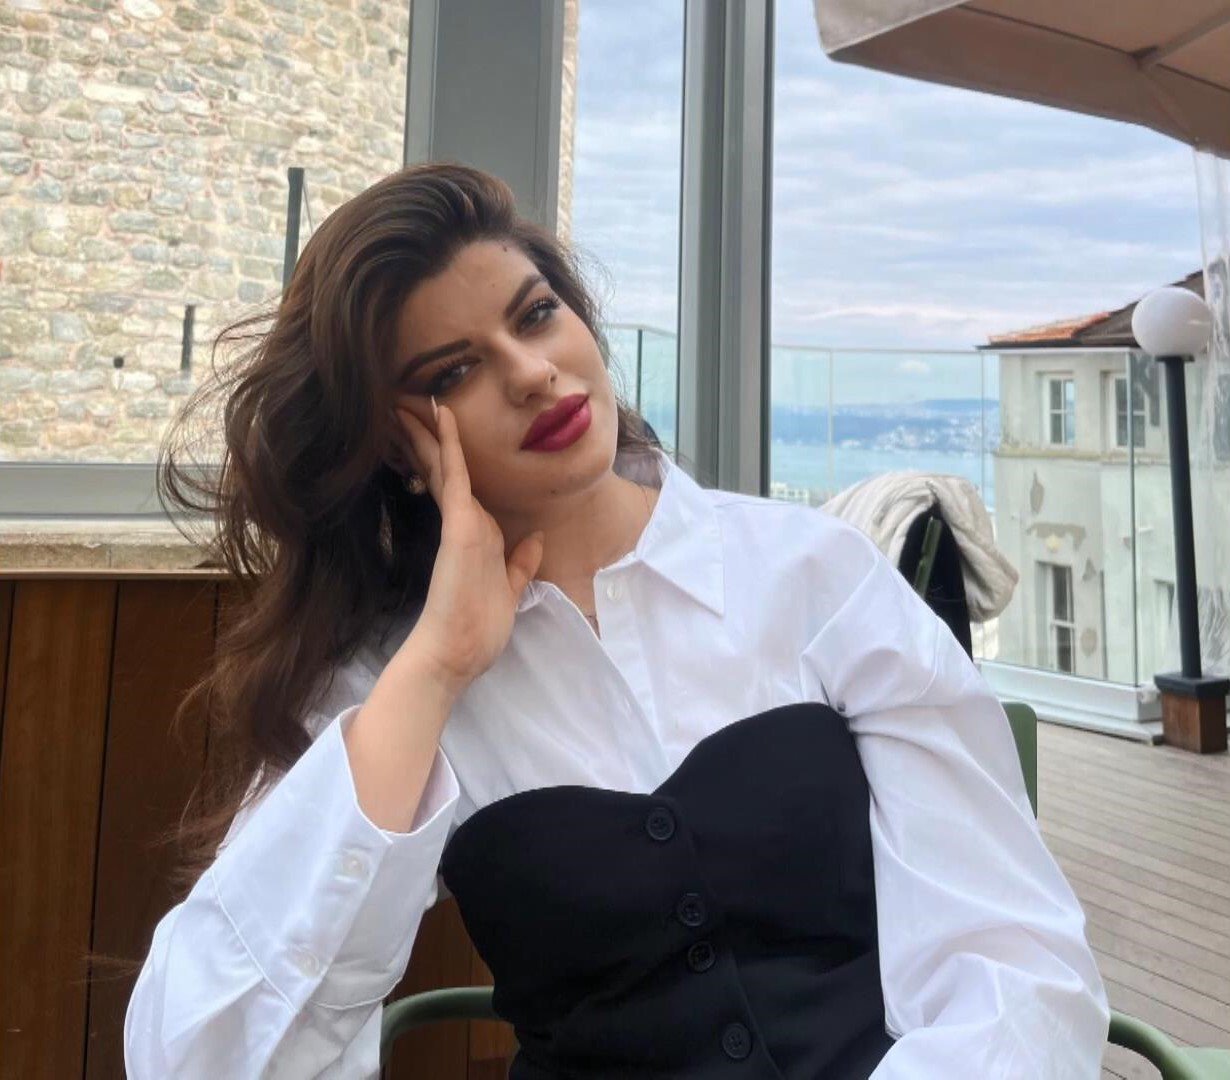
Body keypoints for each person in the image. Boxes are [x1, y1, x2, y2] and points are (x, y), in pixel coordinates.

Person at [125, 163, 1109, 1078]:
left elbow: (1011, 957)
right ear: (395, 445)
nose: (531, 373)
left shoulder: (816, 575)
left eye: (536, 315)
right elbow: (196, 1054)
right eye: (453, 372)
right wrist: (436, 671)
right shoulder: (394, 686)